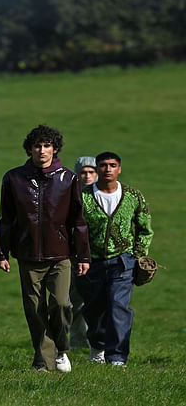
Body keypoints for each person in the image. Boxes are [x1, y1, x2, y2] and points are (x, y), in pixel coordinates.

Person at [0, 124, 90, 372]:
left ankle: (61, 349)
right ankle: (43, 361)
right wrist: (2, 253)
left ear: (54, 148)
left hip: (60, 255)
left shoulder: (68, 178)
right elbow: (5, 219)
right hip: (27, 255)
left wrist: (83, 256)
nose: (42, 150)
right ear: (30, 149)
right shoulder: (13, 178)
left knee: (61, 304)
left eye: (47, 145)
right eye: (37, 145)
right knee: (34, 309)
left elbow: (78, 221)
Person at [76, 152, 153, 366]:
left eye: (112, 165)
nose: (108, 169)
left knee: (119, 307)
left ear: (119, 169)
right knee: (94, 309)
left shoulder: (133, 196)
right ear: (97, 168)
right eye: (103, 165)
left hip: (122, 262)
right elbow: (72, 229)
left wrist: (137, 255)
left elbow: (145, 229)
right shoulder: (83, 197)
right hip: (90, 263)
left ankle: (117, 357)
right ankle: (98, 346)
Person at [69, 156, 98, 348]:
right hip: (73, 254)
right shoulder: (70, 195)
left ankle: (98, 341)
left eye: (91, 172)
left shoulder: (103, 194)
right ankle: (78, 340)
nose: (87, 176)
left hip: (99, 255)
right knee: (73, 300)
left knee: (98, 300)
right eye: (83, 172)